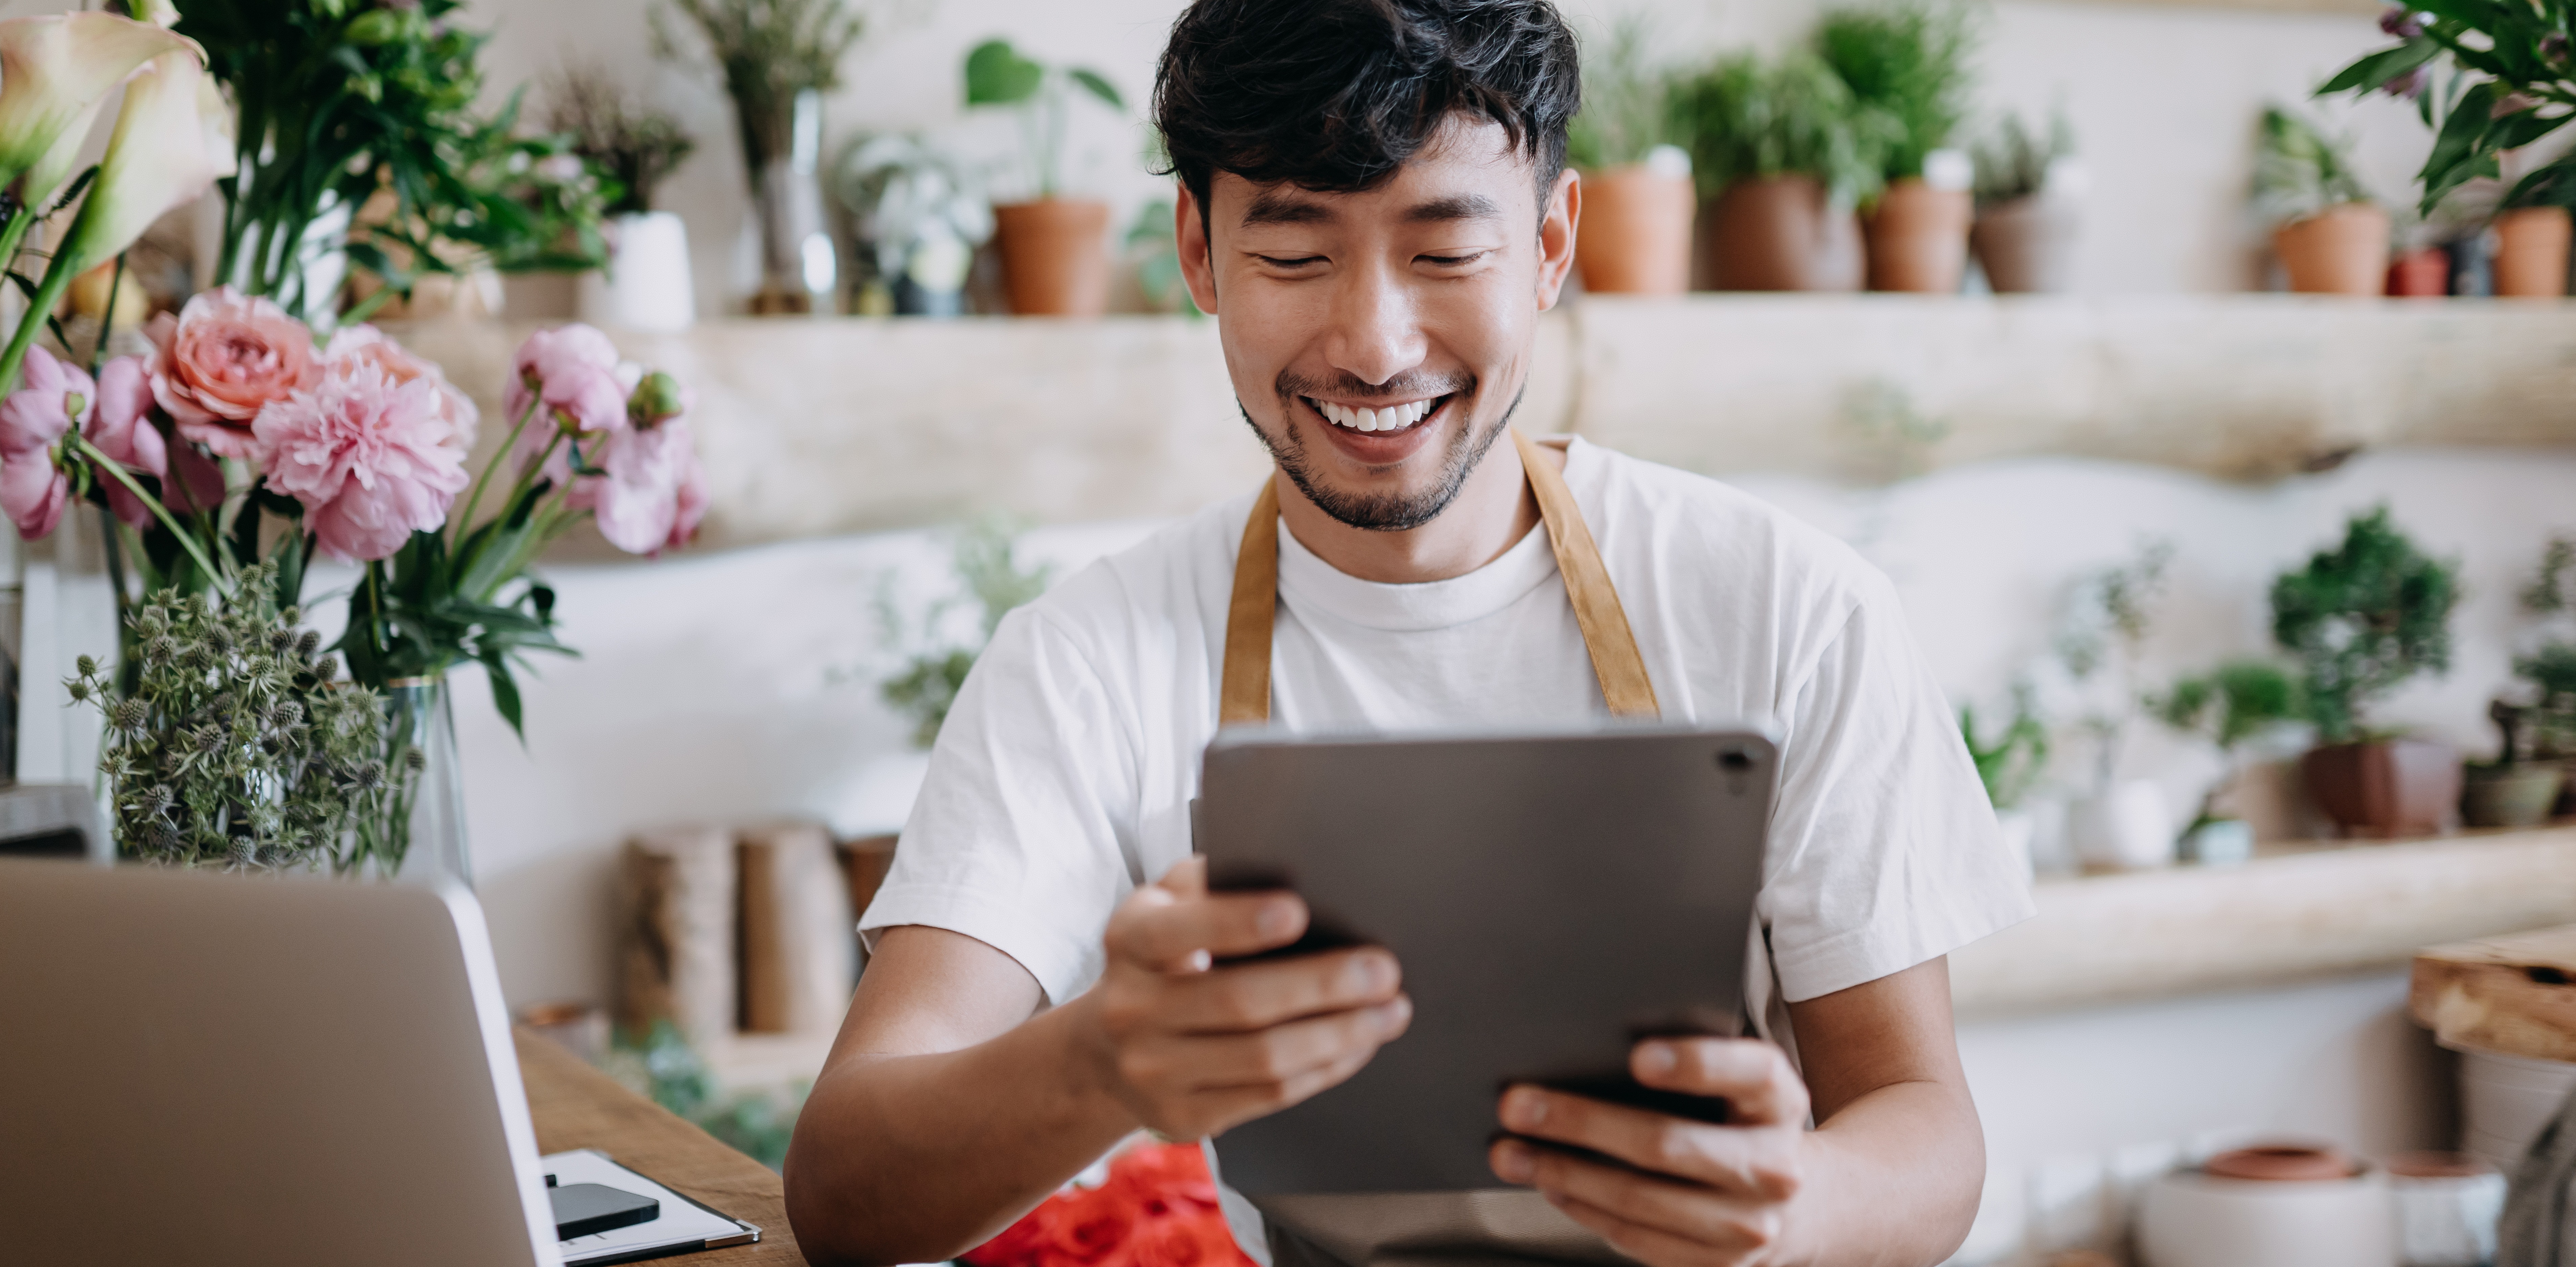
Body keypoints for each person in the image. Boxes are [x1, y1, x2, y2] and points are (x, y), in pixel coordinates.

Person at [783, 1, 2032, 1264]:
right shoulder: (1086, 660)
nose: (1374, 347)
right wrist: (1100, 1059)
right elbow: (843, 1190)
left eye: (1443, 254)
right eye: (1293, 256)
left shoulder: (1791, 608)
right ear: (1200, 257)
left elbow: (1926, 1129)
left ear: (1550, 245)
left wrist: (1793, 1208)